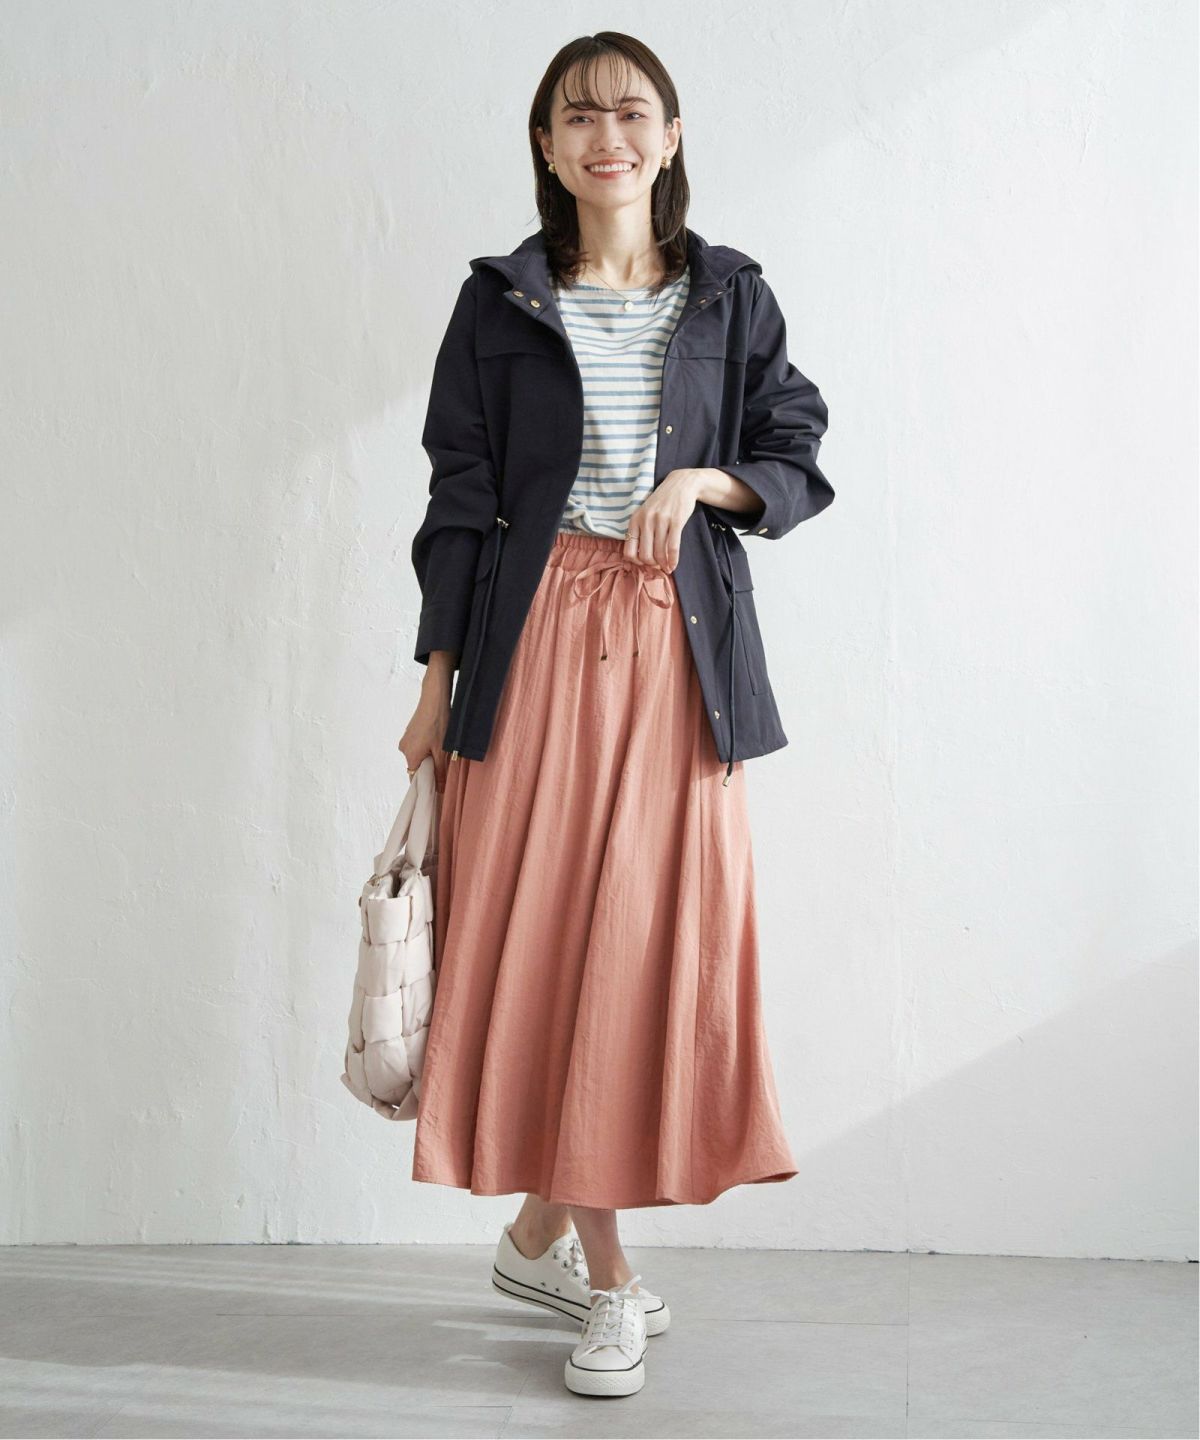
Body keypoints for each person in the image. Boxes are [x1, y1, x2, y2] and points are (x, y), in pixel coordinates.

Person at [397, 32, 833, 1400]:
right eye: (578, 116)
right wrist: (434, 683)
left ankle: (543, 1235)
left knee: (645, 946)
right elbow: (460, 496)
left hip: (678, 653)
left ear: (672, 134)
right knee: (549, 943)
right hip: (528, 648)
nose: (608, 136)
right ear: (546, 144)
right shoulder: (498, 301)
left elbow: (796, 451)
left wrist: (703, 483)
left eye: (632, 112)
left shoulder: (732, 294)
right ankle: (608, 1280)